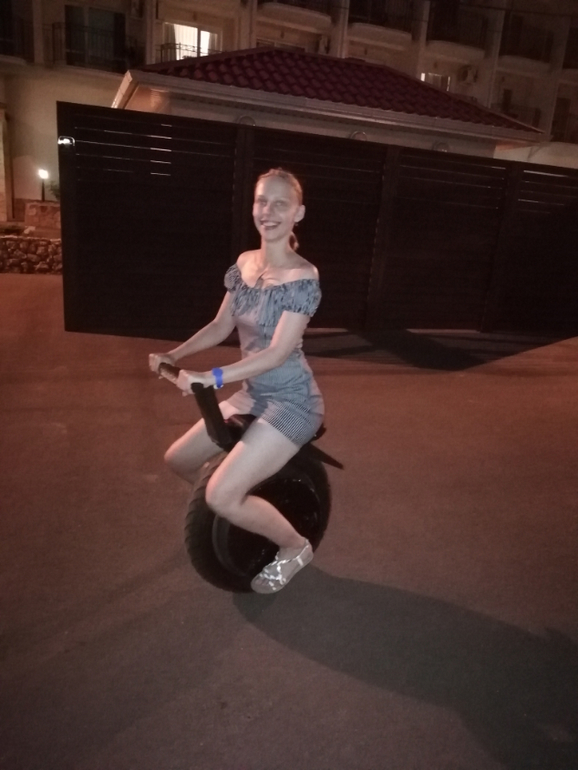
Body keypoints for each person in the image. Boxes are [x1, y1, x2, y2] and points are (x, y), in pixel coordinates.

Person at [149, 168, 324, 593]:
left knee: (221, 494)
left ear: (298, 213)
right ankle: (237, 502)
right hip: (252, 394)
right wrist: (175, 355)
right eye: (262, 201)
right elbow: (220, 325)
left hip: (293, 402)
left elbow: (277, 353)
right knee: (178, 460)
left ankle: (295, 546)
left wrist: (212, 376)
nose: (268, 211)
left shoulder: (302, 278)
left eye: (280, 203)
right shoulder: (245, 263)